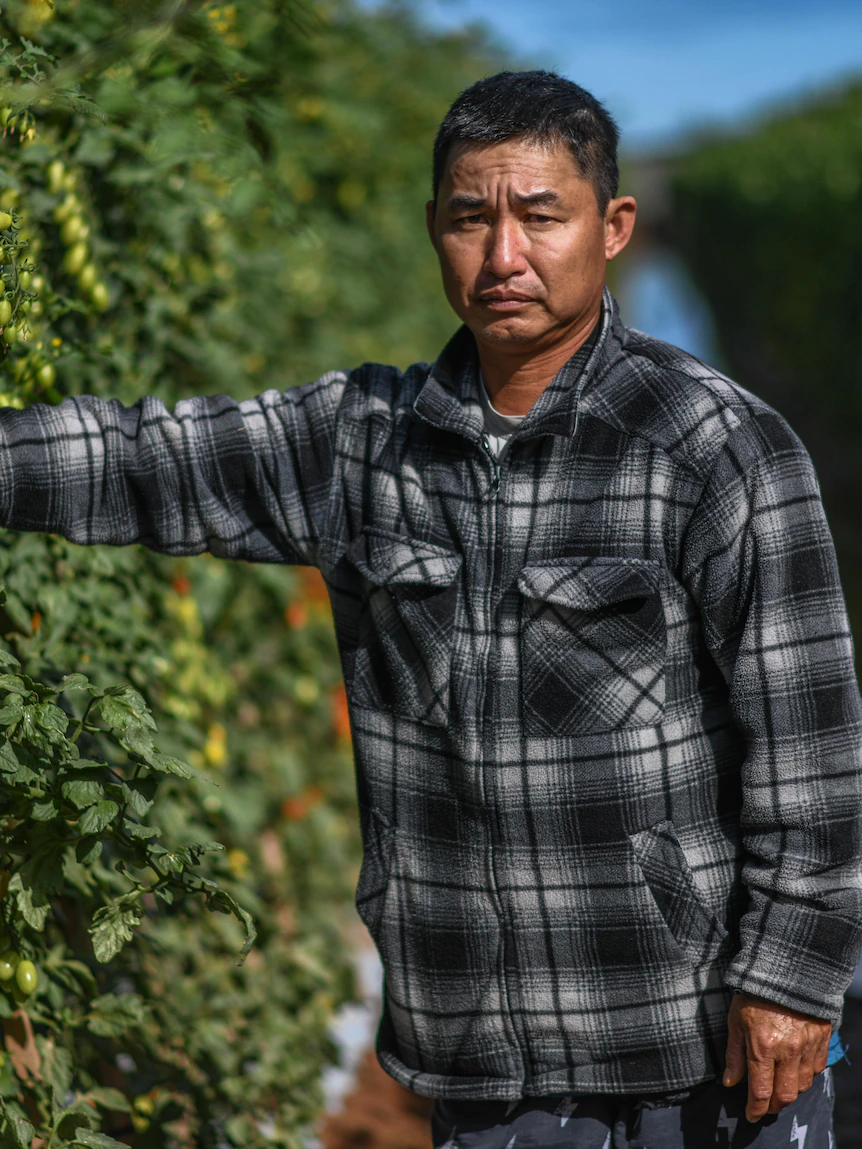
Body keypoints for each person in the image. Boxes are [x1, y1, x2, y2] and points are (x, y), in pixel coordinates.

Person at [0, 69, 859, 1148]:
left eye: (540, 216)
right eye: (470, 218)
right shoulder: (360, 442)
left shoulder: (715, 448)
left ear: (614, 226)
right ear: (433, 231)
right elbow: (142, 462)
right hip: (478, 1056)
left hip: (695, 1049)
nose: (503, 255)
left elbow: (813, 751)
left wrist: (790, 977)